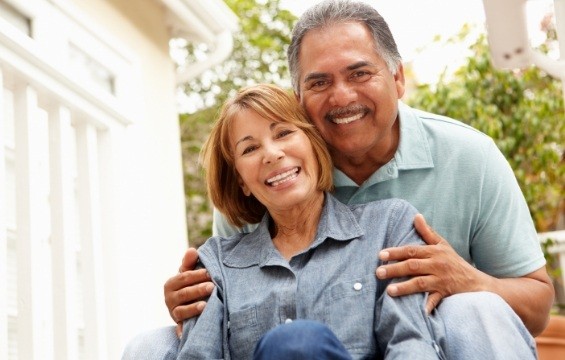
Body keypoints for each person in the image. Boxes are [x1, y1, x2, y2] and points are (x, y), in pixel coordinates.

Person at [123, 0, 553, 357]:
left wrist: (469, 280)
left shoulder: (465, 159)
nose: (342, 96)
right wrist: (192, 305)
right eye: (319, 82)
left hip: (430, 342)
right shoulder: (281, 172)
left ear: (398, 78)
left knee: (473, 308)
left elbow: (535, 306)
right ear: (299, 100)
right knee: (151, 344)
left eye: (360, 73)